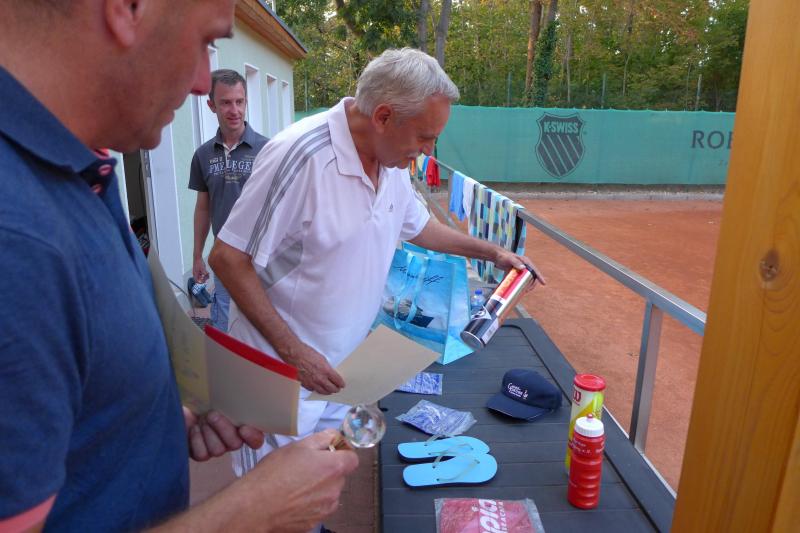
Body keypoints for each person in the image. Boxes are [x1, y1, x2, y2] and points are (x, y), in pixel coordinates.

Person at [0, 1, 357, 532]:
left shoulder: (79, 167)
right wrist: (252, 511)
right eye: (206, 42)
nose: (201, 84)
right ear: (127, 9)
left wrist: (159, 422)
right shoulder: (17, 236)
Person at [209, 47, 545, 476]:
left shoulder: (392, 163)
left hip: (341, 372)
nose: (427, 151)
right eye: (424, 137)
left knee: (321, 477)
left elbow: (418, 226)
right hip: (278, 373)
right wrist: (295, 353)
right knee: (269, 493)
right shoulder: (300, 155)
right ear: (384, 117)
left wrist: (492, 252)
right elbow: (227, 257)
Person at [189, 69, 269, 332]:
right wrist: (197, 255)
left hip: (261, 257)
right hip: (224, 256)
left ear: (246, 102)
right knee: (224, 324)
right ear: (211, 105)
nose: (234, 110)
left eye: (239, 101)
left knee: (262, 326)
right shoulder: (202, 155)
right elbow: (203, 208)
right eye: (225, 102)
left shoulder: (267, 150)